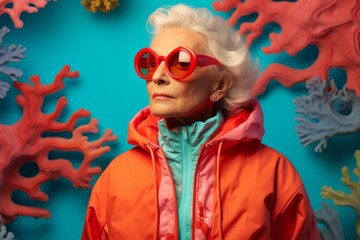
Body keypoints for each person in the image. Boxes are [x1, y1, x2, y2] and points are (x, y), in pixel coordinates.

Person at [81, 4, 320, 240]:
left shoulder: (274, 173)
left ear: (219, 85)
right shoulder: (115, 178)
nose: (158, 76)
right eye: (152, 62)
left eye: (181, 62)